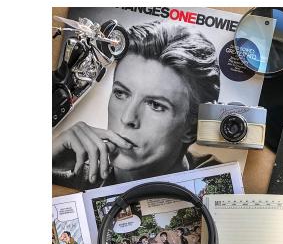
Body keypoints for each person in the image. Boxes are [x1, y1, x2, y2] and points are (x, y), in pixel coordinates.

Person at [52, 20, 220, 190]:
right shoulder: (62, 173)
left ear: (192, 127)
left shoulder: (220, 184)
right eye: (121, 93)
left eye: (155, 105)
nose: (127, 118)